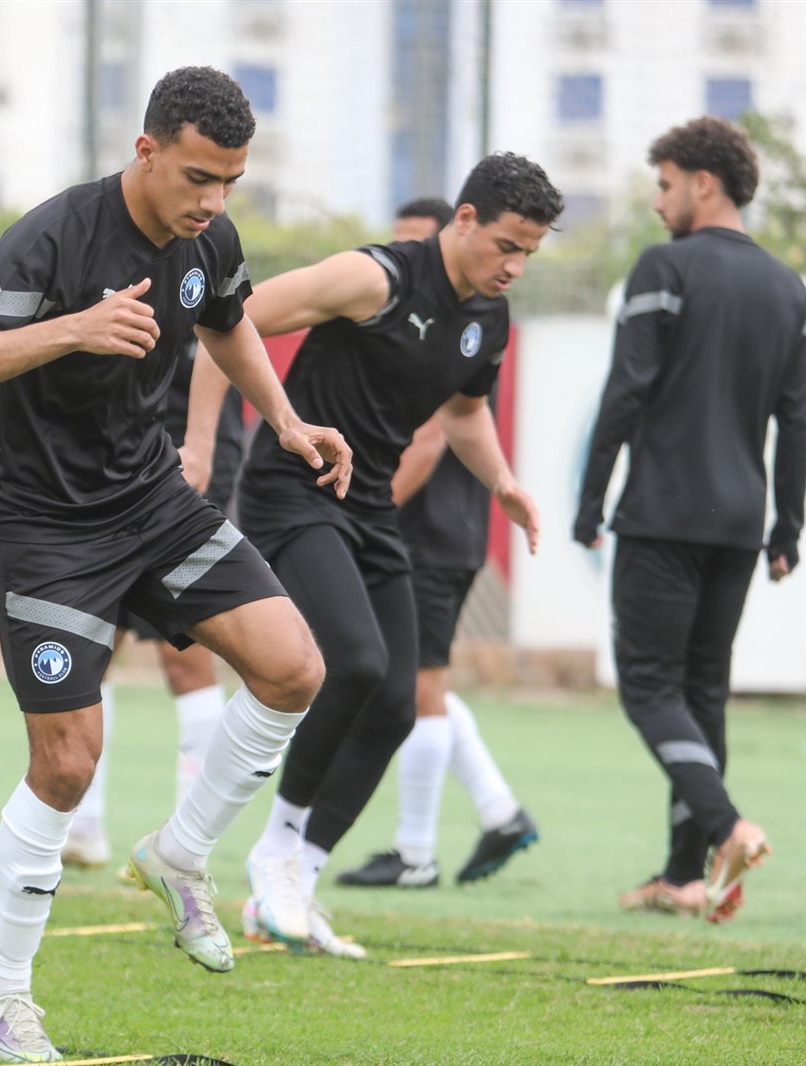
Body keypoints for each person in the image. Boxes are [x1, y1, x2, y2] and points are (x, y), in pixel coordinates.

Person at [0, 66, 350, 1062]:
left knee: (294, 667)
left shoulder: (211, 240)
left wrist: (286, 420)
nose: (212, 201)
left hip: (150, 498)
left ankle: (179, 853)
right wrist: (73, 327)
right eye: (198, 176)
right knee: (68, 761)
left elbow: (228, 324)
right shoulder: (54, 235)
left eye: (230, 182)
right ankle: (1, 988)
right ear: (146, 149)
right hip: (44, 523)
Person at [237, 154, 557, 957]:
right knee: (354, 662)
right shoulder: (375, 277)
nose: (515, 266)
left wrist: (503, 482)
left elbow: (464, 412)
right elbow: (231, 318)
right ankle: (273, 852)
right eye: (507, 246)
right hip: (292, 486)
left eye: (530, 253)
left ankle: (297, 882)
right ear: (464, 220)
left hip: (369, 502)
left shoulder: (488, 317)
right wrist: (215, 436)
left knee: (397, 704)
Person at [575, 117, 804, 922]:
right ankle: (682, 877)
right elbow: (797, 420)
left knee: (647, 685)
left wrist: (590, 499)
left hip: (664, 514)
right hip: (739, 521)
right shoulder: (789, 288)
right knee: (702, 692)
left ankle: (727, 828)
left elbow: (625, 391)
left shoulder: (663, 267)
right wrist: (787, 526)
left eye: (665, 184)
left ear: (704, 183)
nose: (657, 200)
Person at [335, 198, 538, 890]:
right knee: (422, 681)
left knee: (417, 688)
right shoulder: (437, 319)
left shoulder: (457, 322)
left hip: (428, 535)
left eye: (413, 245)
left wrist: (358, 520)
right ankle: (499, 809)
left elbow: (427, 442)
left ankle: (416, 852)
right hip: (444, 535)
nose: (401, 261)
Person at [63, 338, 244, 868]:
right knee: (92, 648)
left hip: (188, 481)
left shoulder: (207, 300)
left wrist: (201, 455)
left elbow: (233, 350)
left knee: (183, 657)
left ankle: (189, 844)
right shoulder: (114, 295)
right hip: (113, 481)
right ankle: (84, 826)